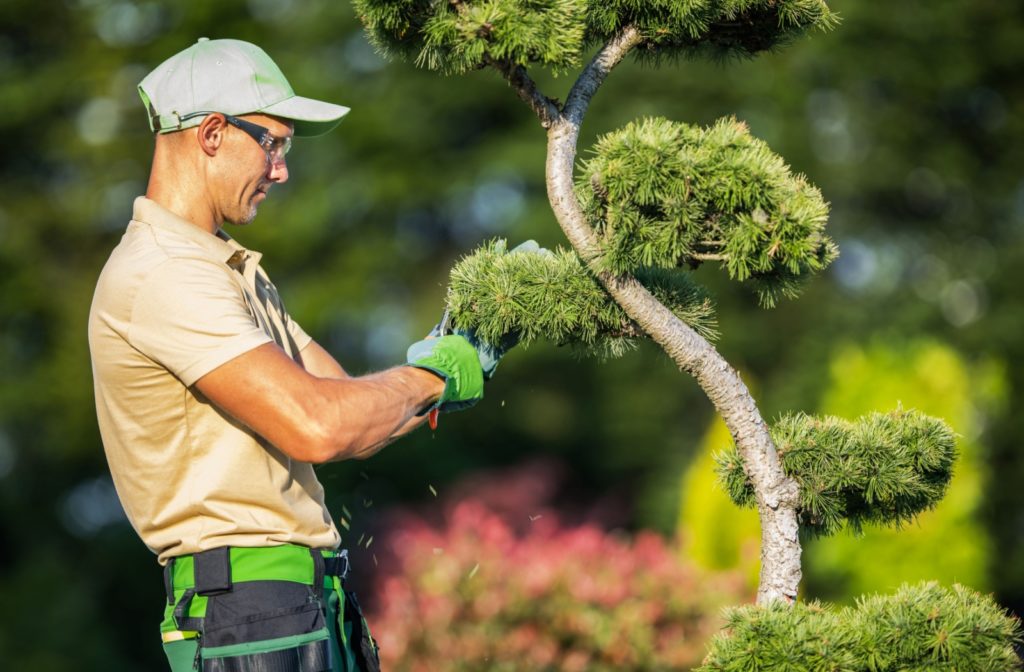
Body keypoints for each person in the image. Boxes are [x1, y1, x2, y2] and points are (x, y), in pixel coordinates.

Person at [88, 37, 504, 672]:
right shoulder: (164, 275)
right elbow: (319, 425)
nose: (281, 169)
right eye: (273, 143)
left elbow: (349, 414)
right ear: (212, 133)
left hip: (295, 602)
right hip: (248, 612)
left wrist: (445, 355)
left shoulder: (223, 268)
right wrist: (432, 375)